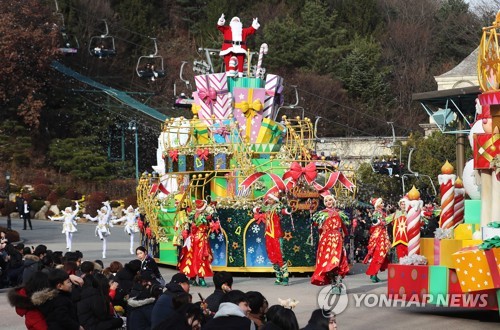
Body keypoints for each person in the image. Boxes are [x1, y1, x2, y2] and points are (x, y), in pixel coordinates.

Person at [310, 195, 349, 292]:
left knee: (338, 261)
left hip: (337, 239)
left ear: (334, 201)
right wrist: (311, 213)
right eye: (326, 200)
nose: (328, 202)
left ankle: (338, 283)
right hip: (325, 240)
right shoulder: (321, 214)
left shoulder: (340, 213)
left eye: (330, 200)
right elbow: (314, 223)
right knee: (326, 261)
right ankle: (333, 284)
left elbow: (345, 224)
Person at [178, 199, 215, 287]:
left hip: (198, 239)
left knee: (197, 257)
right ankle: (195, 278)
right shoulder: (195, 214)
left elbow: (188, 226)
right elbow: (188, 225)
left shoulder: (203, 214)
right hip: (197, 239)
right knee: (196, 257)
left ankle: (196, 278)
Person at [254, 191, 289, 285]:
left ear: (275, 200)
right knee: (272, 256)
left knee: (280, 255)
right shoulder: (267, 208)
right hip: (268, 235)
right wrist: (262, 204)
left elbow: (283, 211)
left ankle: (285, 276)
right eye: (268, 199)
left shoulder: (277, 207)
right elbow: (257, 210)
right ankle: (278, 276)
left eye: (270, 199)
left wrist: (287, 209)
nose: (268, 200)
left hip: (276, 235)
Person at [363, 197, 391, 283]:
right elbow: (375, 222)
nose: (383, 204)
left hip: (381, 234)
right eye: (381, 203)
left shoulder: (381, 212)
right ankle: (373, 273)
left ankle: (374, 273)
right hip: (378, 235)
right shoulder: (376, 212)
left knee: (380, 254)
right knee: (379, 254)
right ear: (377, 204)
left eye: (383, 203)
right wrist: (386, 221)